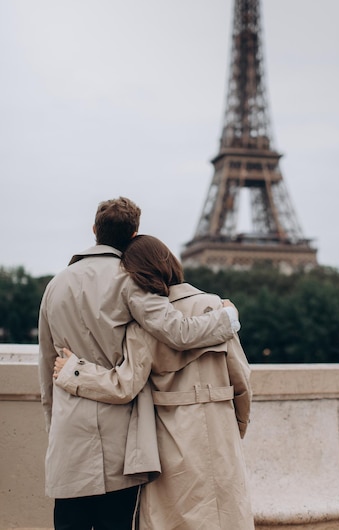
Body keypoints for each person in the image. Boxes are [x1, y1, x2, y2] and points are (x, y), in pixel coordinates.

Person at [38, 197, 240, 530]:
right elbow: (178, 332)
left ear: (94, 231)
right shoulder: (131, 281)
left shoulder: (54, 286)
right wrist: (227, 319)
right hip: (120, 443)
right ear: (134, 235)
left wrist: (54, 429)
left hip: (68, 437)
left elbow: (47, 372)